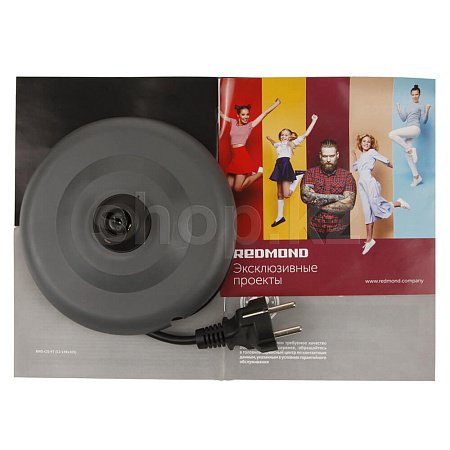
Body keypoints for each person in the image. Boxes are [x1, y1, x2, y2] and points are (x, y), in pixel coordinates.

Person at [351, 134, 410, 255]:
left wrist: (399, 168)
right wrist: (354, 156)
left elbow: (386, 162)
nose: (366, 143)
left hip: (370, 182)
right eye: (364, 141)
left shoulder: (372, 152)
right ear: (360, 143)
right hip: (361, 184)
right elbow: (356, 167)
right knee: (367, 211)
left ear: (371, 144)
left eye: (368, 142)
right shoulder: (362, 156)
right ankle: (369, 240)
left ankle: (399, 203)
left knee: (376, 207)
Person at [266, 114, 318, 227]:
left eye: (286, 135)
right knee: (279, 194)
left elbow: (305, 135)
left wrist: (313, 120)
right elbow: (274, 143)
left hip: (285, 165)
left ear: (290, 136)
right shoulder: (279, 144)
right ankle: (280, 217)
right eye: (282, 135)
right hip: (278, 166)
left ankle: (298, 176)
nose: (284, 136)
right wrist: (270, 139)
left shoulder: (292, 143)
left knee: (286, 194)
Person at [220, 99, 281, 192]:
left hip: (242, 157)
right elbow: (221, 114)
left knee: (238, 188)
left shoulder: (249, 126)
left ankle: (259, 174)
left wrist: (277, 103)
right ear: (238, 115)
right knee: (227, 188)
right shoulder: (233, 122)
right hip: (234, 157)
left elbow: (264, 113)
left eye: (247, 114)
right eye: (243, 114)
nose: (246, 117)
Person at [300, 139, 356, 240]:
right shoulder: (310, 174)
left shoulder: (347, 176)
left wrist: (317, 202)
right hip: (314, 231)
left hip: (340, 231)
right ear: (320, 156)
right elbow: (306, 197)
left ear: (337, 155)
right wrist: (337, 198)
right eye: (325, 156)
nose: (328, 160)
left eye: (332, 156)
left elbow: (348, 204)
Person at [388, 84, 431, 187]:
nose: (415, 96)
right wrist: (398, 108)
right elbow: (403, 118)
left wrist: (427, 110)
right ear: (411, 95)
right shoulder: (407, 106)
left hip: (415, 129)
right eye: (413, 94)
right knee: (407, 154)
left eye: (416, 94)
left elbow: (424, 121)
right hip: (409, 130)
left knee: (392, 134)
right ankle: (416, 177)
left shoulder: (421, 105)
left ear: (419, 95)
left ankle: (411, 150)